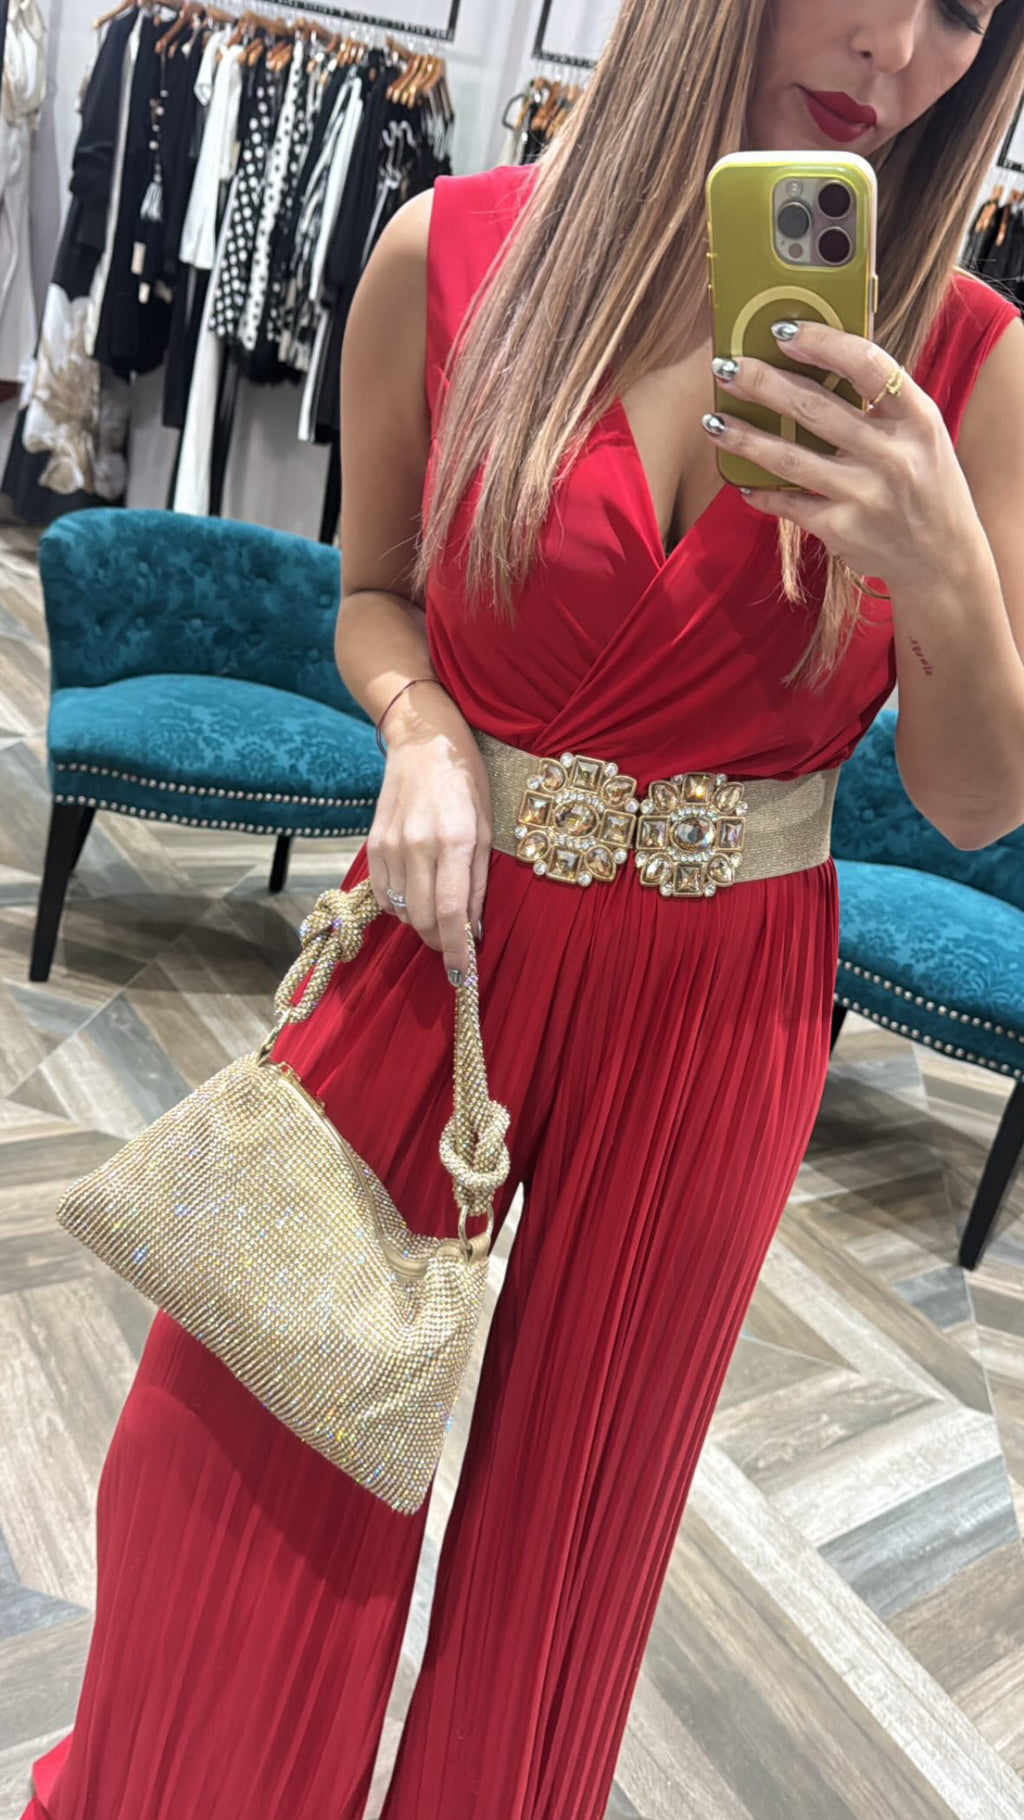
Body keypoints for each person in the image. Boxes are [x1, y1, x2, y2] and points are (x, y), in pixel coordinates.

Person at [24, 1, 1024, 1816]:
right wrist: (417, 727)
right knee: (245, 1449)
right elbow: (372, 594)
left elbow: (975, 798)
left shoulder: (970, 361)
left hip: (719, 1005)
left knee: (568, 1545)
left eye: (966, 6)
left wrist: (942, 557)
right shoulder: (454, 252)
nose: (896, 45)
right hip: (445, 937)